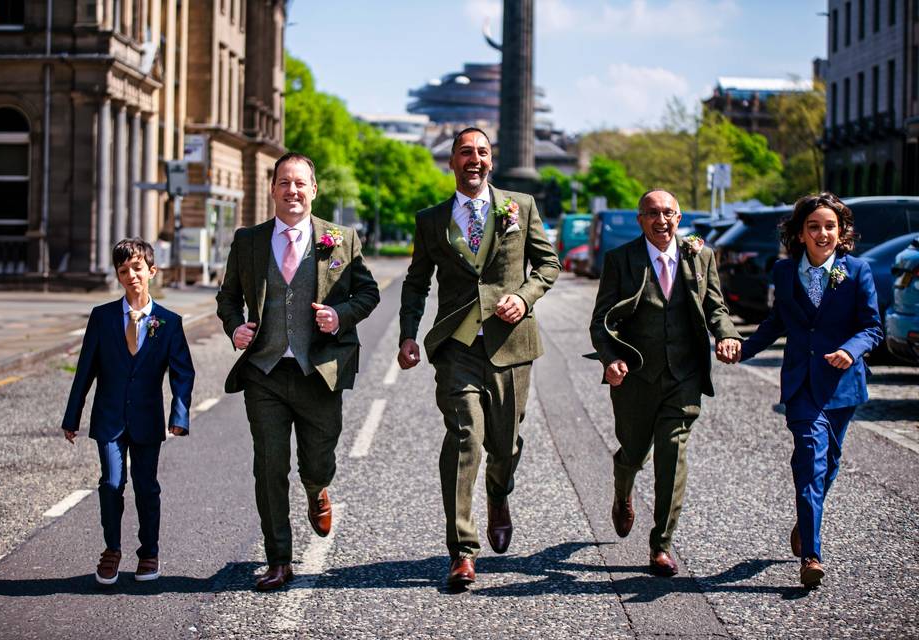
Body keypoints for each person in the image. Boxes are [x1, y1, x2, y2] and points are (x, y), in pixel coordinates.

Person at [397, 127, 560, 587]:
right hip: (458, 347)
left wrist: (525, 298)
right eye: (465, 151)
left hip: (512, 344)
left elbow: (548, 265)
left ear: (492, 161)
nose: (474, 158)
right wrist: (409, 334)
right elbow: (415, 282)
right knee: (466, 435)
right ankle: (462, 550)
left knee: (505, 446)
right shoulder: (431, 220)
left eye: (482, 152)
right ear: (451, 161)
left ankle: (499, 492)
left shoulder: (520, 207)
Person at [216, 152, 379, 591]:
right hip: (265, 373)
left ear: (313, 190)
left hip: (318, 372)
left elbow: (368, 293)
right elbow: (227, 298)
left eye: (300, 183)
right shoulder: (248, 241)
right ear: (272, 189)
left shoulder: (341, 239)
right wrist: (235, 328)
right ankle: (279, 560)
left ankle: (317, 489)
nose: (292, 191)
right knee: (269, 467)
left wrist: (340, 316)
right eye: (284, 183)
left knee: (318, 460)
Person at [587, 188, 741, 577]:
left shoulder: (700, 256)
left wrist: (727, 335)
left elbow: (716, 306)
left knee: (672, 454)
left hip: (684, 376)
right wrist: (612, 359)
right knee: (634, 453)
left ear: (679, 217)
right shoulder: (621, 260)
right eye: (652, 214)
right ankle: (623, 490)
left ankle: (661, 544)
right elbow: (600, 321)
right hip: (637, 376)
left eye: (668, 213)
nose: (661, 220)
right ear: (640, 220)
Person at [738, 192, 882, 588]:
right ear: (800, 233)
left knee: (830, 463)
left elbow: (872, 328)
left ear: (841, 232)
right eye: (814, 226)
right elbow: (775, 322)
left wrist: (850, 352)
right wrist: (741, 349)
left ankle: (806, 521)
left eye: (830, 226)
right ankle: (812, 555)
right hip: (802, 384)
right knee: (809, 461)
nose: (822, 233)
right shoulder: (784, 273)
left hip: (842, 384)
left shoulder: (857, 271)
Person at [62, 238, 195, 585]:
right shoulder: (102, 318)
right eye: (124, 270)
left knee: (146, 486)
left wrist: (179, 416)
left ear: (151, 271)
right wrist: (72, 418)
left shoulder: (168, 322)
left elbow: (183, 373)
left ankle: (148, 553)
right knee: (111, 482)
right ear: (118, 276)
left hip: (148, 420)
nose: (131, 275)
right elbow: (85, 369)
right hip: (108, 418)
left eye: (137, 268)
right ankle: (111, 550)